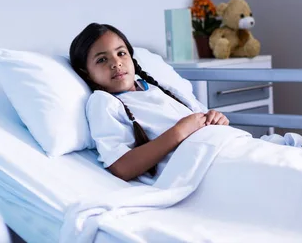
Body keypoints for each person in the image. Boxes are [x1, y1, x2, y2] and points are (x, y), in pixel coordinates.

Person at [69, 22, 240, 184]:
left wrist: (216, 119)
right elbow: (122, 167)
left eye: (121, 53)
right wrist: (180, 131)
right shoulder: (103, 102)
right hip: (202, 166)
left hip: (226, 146)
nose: (116, 63)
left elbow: (202, 117)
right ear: (86, 73)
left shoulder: (158, 88)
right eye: (102, 60)